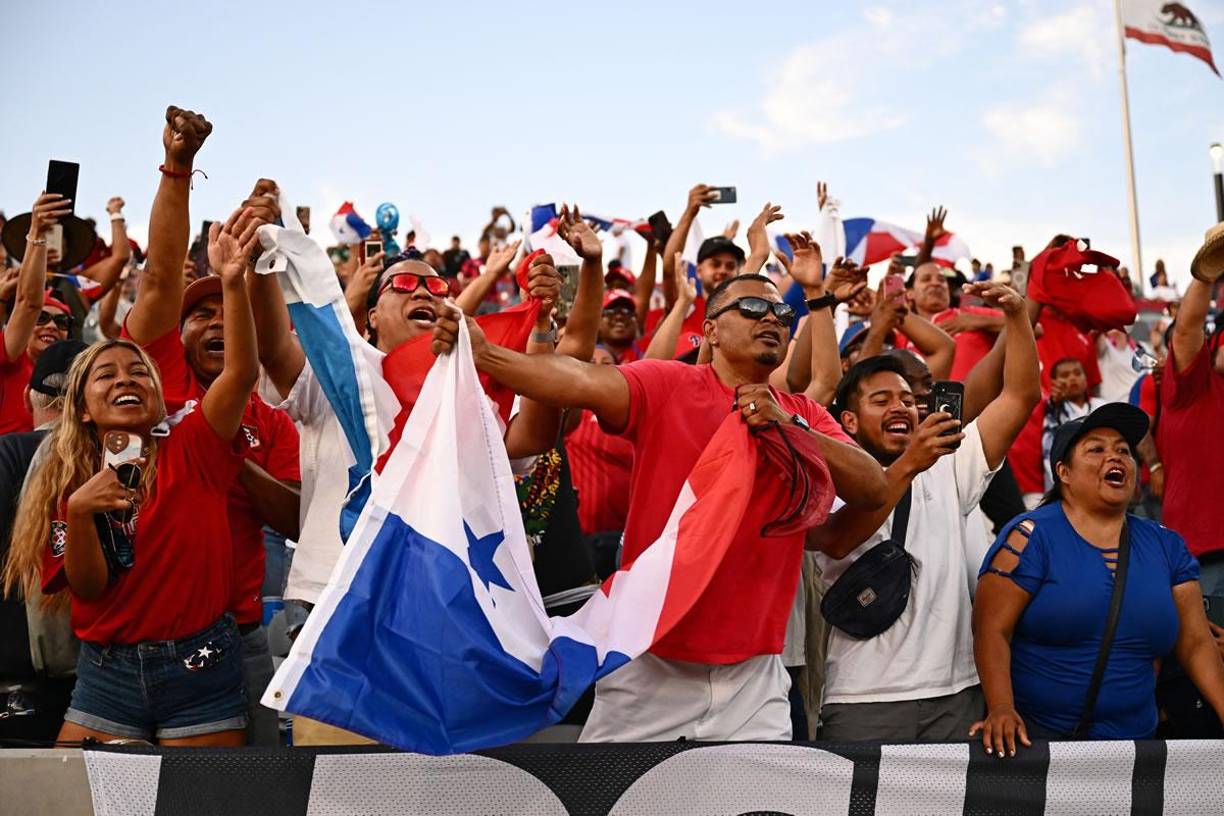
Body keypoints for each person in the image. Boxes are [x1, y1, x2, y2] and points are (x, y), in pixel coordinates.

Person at [432, 233, 889, 742]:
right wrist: (489, 357)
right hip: (648, 662)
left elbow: (873, 486)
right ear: (710, 330)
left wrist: (788, 426)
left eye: (782, 313)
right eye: (753, 307)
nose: (771, 318)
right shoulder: (667, 384)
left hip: (754, 676)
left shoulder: (802, 414)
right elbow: (576, 380)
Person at [1, 205, 261, 746]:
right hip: (106, 677)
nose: (126, 377)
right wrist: (79, 512)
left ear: (159, 394)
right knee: (73, 802)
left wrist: (234, 285)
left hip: (200, 669)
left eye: (139, 369)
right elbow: (90, 588)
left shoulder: (196, 442)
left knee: (203, 805)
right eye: (106, 374)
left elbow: (239, 372)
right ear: (85, 408)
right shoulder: (66, 476)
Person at [119, 112, 301, 746]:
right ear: (177, 332)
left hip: (235, 636)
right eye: (196, 316)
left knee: (236, 800)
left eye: (225, 308)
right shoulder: (153, 381)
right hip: (130, 639)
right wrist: (178, 167)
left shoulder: (270, 423)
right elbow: (164, 274)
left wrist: (220, 455)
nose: (212, 322)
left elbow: (297, 521)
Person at [808, 279, 1039, 742]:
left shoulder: (948, 466)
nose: (902, 407)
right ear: (848, 421)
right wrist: (911, 462)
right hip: (862, 700)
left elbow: (1019, 398)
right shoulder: (826, 474)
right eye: (881, 400)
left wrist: (1017, 316)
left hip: (955, 696)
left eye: (908, 400)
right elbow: (835, 539)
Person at [971, 403, 1224, 751]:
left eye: (1124, 450)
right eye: (1096, 449)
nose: (1116, 457)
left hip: (1136, 748)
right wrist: (1001, 707)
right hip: (1040, 746)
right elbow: (990, 630)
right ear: (1064, 472)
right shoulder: (1029, 538)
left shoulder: (1167, 545)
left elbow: (1196, 643)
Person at [0, 340, 87, 743]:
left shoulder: (7, 452)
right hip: (108, 676)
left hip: (17, 677)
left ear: (25, 397)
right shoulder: (127, 458)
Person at [0, 193, 77, 434]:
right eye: (41, 319)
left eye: (61, 320)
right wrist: (38, 233)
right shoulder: (10, 360)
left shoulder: (76, 378)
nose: (52, 326)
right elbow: (28, 304)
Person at [904, 261, 1003, 381]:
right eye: (926, 279)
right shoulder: (903, 330)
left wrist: (979, 321)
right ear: (909, 293)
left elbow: (1026, 324)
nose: (936, 283)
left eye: (941, 279)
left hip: (982, 398)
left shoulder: (970, 314)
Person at [1040, 358, 1107, 492]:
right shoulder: (1054, 411)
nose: (1072, 378)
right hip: (1070, 487)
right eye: (1065, 376)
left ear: (1085, 378)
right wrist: (1055, 404)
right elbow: (1053, 407)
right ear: (1054, 383)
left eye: (1077, 373)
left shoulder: (1103, 406)